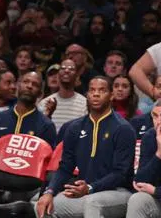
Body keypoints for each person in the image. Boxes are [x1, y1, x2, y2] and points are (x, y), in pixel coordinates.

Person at [36, 76, 135, 218]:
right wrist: (49, 192)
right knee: (44, 205)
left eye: (102, 90)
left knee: (93, 203)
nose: (96, 94)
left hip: (119, 192)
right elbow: (65, 167)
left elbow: (120, 174)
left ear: (111, 96)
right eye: (92, 90)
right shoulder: (74, 128)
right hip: (84, 191)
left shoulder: (124, 129)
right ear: (87, 95)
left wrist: (90, 188)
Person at [0, 71, 57, 162]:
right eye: (26, 82)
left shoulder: (46, 126)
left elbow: (46, 163)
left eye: (35, 84)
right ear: (18, 86)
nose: (29, 86)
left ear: (40, 93)